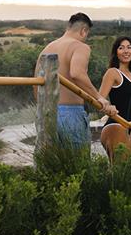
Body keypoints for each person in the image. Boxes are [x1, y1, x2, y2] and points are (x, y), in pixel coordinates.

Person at [36, 12, 117, 147]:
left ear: (68, 27)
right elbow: (77, 73)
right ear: (84, 31)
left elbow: (37, 84)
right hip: (70, 114)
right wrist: (98, 97)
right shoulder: (79, 46)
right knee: (78, 165)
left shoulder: (46, 49)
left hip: (45, 113)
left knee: (51, 165)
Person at [99, 36, 131, 160]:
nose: (126, 51)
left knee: (124, 174)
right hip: (115, 126)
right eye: (121, 48)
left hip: (127, 128)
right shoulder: (113, 73)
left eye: (129, 47)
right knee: (121, 170)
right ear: (116, 53)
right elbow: (99, 99)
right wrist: (108, 107)